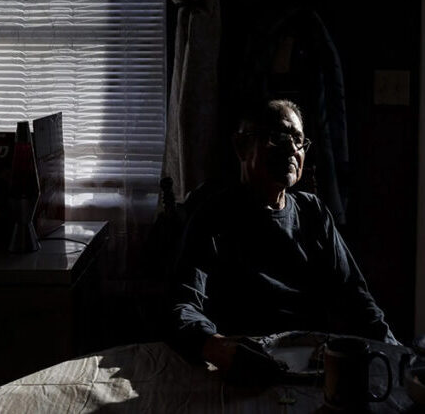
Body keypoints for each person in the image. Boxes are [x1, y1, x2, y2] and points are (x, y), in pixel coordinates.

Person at [168, 98, 398, 375]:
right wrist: (217, 347)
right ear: (241, 146)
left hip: (310, 363)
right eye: (277, 137)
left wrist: (394, 348)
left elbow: (355, 296)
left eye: (298, 139)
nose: (291, 148)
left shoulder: (313, 213)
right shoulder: (213, 217)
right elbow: (182, 304)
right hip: (244, 363)